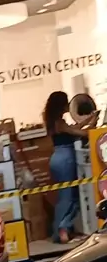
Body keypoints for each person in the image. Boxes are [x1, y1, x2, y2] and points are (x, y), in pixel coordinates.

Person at [43, 91, 98, 243]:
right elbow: (81, 133)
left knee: (65, 195)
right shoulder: (59, 123)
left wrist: (90, 119)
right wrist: (92, 123)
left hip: (58, 157)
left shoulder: (56, 122)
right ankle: (62, 229)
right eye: (66, 102)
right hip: (65, 159)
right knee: (69, 196)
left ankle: (62, 229)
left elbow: (76, 128)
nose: (68, 105)